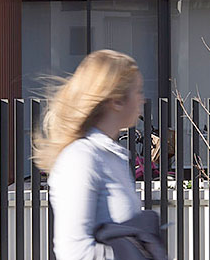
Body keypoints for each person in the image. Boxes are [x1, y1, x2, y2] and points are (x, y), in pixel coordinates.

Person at [34, 50, 146, 259]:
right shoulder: (80, 159)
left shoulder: (113, 157)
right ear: (117, 100)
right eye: (137, 91)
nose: (142, 99)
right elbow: (74, 252)